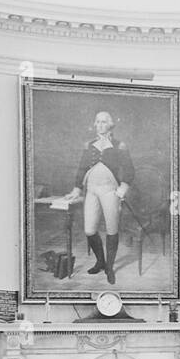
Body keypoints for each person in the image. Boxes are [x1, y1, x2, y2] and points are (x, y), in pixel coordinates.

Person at [66, 110, 135, 284]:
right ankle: (100, 261)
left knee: (112, 229)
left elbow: (129, 169)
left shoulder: (120, 145)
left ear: (111, 125)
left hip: (110, 191)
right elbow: (82, 168)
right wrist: (76, 188)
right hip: (91, 190)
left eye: (104, 122)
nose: (100, 125)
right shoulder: (88, 145)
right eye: (98, 121)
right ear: (95, 124)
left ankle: (110, 267)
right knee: (89, 230)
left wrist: (123, 187)